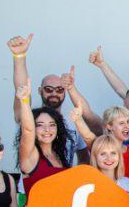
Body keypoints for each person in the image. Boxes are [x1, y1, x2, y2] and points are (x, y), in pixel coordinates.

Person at [8, 34, 101, 165]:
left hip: (64, 184)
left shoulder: (74, 121)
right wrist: (19, 57)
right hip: (36, 183)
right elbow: (21, 88)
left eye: (59, 89)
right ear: (40, 91)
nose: (54, 93)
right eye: (48, 89)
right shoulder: (29, 117)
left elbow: (84, 156)